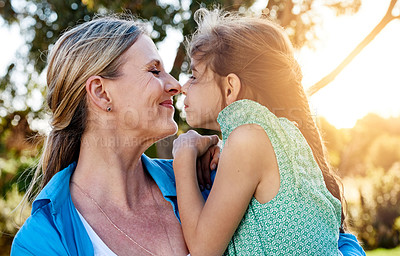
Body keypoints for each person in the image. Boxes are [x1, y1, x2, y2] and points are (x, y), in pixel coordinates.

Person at [11, 15, 219, 256]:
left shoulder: (201, 178)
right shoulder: (39, 243)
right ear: (101, 93)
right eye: (154, 71)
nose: (175, 85)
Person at [172, 8, 367, 256]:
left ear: (230, 86)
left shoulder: (248, 139)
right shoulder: (277, 135)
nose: (182, 86)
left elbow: (202, 249)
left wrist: (184, 155)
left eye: (194, 75)